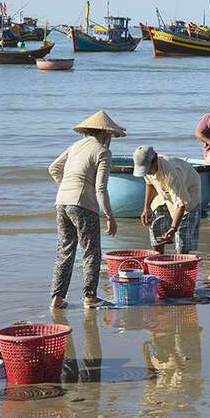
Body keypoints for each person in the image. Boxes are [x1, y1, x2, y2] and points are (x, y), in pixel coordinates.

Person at [48, 110, 124, 310]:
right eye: (111, 136)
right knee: (91, 251)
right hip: (83, 205)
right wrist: (109, 216)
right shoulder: (103, 152)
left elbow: (54, 168)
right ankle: (90, 296)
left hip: (62, 201)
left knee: (65, 250)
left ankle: (57, 298)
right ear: (105, 133)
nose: (111, 139)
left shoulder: (76, 146)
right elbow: (100, 188)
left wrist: (66, 187)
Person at [134, 146, 202, 253]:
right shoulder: (147, 168)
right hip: (164, 194)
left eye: (148, 170)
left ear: (155, 159)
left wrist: (173, 228)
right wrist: (146, 208)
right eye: (144, 171)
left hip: (188, 191)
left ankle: (181, 262)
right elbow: (150, 184)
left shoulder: (171, 173)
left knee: (182, 237)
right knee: (156, 228)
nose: (147, 173)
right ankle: (158, 260)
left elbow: (181, 205)